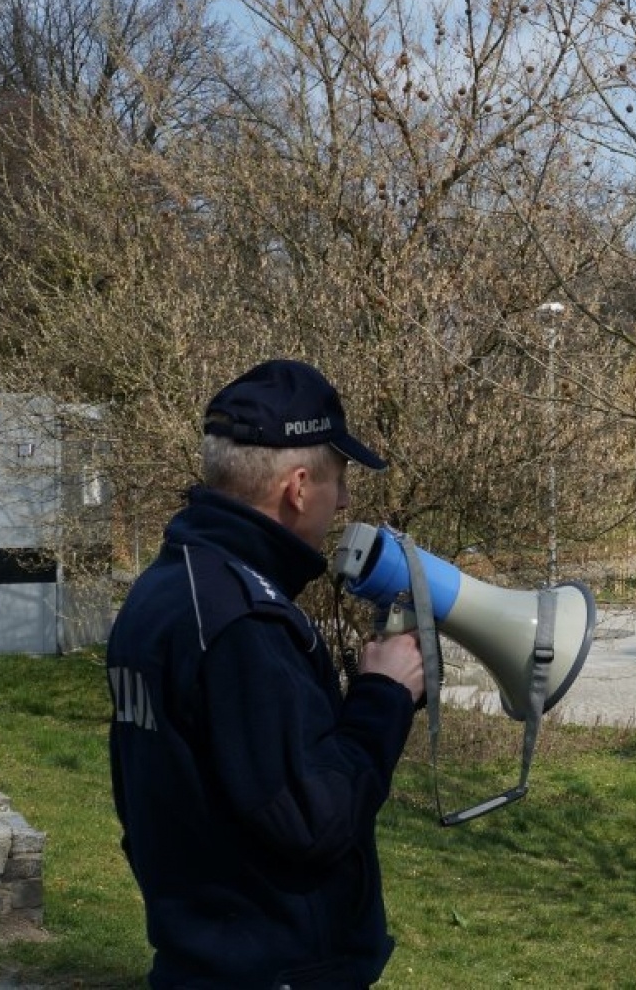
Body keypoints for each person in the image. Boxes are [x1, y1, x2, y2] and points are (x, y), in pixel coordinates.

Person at [107, 359, 425, 989]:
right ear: (299, 487)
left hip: (203, 958)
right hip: (271, 970)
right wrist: (384, 696)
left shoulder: (169, 587)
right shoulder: (241, 624)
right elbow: (314, 818)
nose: (346, 501)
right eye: (340, 481)